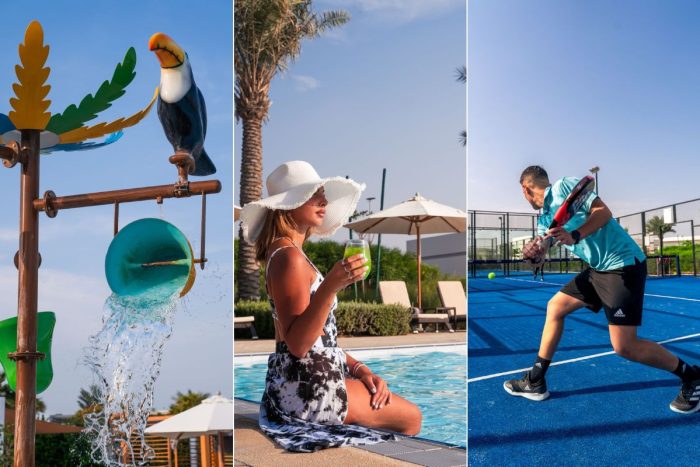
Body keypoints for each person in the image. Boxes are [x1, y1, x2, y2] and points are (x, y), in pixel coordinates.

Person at [240, 160, 422, 452]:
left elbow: (318, 339)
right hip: (309, 389)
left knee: (388, 406)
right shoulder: (289, 257)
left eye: (322, 193)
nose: (323, 200)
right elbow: (298, 345)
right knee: (412, 418)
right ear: (289, 204)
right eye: (314, 194)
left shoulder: (287, 253)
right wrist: (330, 286)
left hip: (297, 384)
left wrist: (360, 369)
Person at [504, 165, 700, 414]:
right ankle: (536, 380)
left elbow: (603, 212)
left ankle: (692, 376)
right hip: (598, 270)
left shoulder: (564, 186)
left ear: (525, 188)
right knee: (555, 307)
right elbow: (546, 248)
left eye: (522, 192)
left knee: (624, 347)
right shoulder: (545, 219)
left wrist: (575, 234)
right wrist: (535, 254)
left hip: (622, 265)